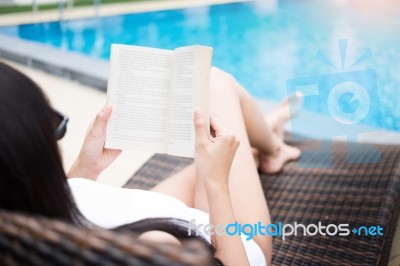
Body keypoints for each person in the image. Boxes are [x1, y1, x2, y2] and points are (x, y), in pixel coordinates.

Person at [0, 62, 300, 266]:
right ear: (30, 154)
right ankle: (273, 149)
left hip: (140, 217)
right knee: (214, 82)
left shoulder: (17, 217)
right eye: (54, 123)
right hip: (230, 242)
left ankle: (258, 146)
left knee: (222, 155)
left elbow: (63, 221)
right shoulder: (155, 247)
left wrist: (85, 170)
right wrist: (216, 185)